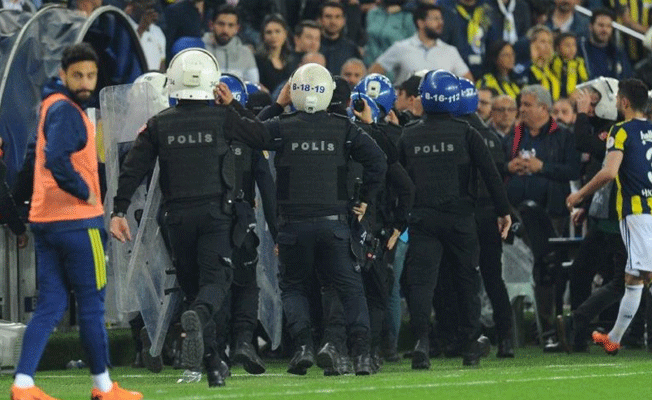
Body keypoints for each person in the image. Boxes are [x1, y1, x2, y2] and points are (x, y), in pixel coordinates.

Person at [110, 48, 270, 388]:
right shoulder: (224, 118)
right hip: (215, 215)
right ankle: (198, 320)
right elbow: (262, 137)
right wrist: (234, 106)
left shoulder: (158, 123)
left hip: (176, 218)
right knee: (215, 283)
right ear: (211, 81)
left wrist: (119, 211)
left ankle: (213, 364)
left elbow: (133, 169)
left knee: (193, 287)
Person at [10, 43, 142, 400]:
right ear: (64, 75)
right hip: (79, 223)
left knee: (50, 305)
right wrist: (84, 191)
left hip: (45, 221)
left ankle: (23, 383)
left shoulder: (50, 106)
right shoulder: (69, 112)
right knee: (92, 305)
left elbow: (35, 159)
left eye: (90, 75)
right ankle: (103, 387)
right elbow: (56, 159)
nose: (85, 82)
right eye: (78, 75)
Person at [256, 63, 387, 375]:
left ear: (294, 91)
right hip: (334, 224)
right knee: (351, 289)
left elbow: (251, 134)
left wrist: (278, 104)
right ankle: (361, 356)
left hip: (293, 224)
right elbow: (378, 161)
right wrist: (364, 198)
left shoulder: (282, 126)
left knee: (294, 287)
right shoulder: (343, 127)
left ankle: (303, 347)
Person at [398, 69, 512, 369]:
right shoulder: (466, 132)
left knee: (422, 282)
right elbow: (491, 175)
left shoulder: (409, 134)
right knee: (467, 280)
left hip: (422, 219)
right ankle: (471, 345)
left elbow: (396, 177)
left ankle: (422, 342)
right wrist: (504, 212)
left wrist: (399, 216)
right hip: (460, 218)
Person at [566, 78, 652, 355]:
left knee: (642, 275)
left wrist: (580, 195)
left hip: (637, 213)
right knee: (632, 279)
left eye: (616, 99)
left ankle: (613, 334)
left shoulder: (621, 130)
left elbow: (609, 172)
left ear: (624, 102)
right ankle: (613, 338)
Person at [212, 74, 276, 376]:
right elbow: (267, 187)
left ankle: (218, 349)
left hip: (210, 219)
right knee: (247, 283)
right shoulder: (250, 140)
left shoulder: (201, 130)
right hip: (242, 219)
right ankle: (243, 341)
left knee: (215, 284)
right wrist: (278, 233)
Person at [503, 84, 581, 330]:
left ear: (544, 108)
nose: (522, 109)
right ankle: (514, 324)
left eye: (527, 105)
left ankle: (548, 324)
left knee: (547, 266)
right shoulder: (514, 135)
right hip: (516, 214)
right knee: (518, 266)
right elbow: (498, 164)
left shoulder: (564, 137)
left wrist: (542, 167)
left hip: (552, 214)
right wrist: (509, 167)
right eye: (521, 104)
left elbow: (573, 171)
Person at [456, 78, 515, 358]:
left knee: (462, 277)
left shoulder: (455, 134)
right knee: (493, 278)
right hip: (490, 213)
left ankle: (463, 337)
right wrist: (504, 211)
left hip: (464, 213)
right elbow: (497, 178)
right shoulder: (492, 137)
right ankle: (507, 338)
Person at [370, 3, 472, 85]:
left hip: (438, 104)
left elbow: (469, 82)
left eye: (441, 19)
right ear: (420, 23)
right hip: (407, 103)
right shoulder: (401, 47)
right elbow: (373, 72)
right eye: (435, 19)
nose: (440, 23)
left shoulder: (450, 51)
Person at [203, 4, 260, 83]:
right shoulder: (200, 49)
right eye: (221, 24)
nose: (225, 30)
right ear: (211, 25)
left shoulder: (246, 53)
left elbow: (253, 85)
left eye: (230, 25)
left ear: (237, 28)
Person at [578, 8, 633, 80]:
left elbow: (627, 76)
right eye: (601, 25)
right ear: (591, 27)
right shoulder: (581, 48)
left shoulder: (617, 52)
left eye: (608, 26)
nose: (604, 30)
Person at [364, 0, 416, 67]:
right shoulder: (373, 13)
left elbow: (412, 44)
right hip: (369, 64)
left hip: (394, 67)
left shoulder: (407, 16)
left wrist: (402, 8)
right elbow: (368, 37)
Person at [318, 2, 361, 76]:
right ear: (320, 20)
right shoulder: (314, 46)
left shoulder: (351, 48)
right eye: (328, 16)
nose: (333, 21)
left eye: (337, 17)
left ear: (344, 21)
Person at [255, 14, 293, 93]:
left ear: (285, 34)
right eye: (269, 32)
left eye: (277, 31)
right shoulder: (258, 60)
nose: (273, 36)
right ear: (263, 36)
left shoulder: (291, 61)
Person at [125, 0, 166, 71]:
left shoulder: (157, 30)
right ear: (133, 4)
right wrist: (141, 29)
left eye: (151, 5)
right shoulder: (124, 25)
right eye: (146, 4)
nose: (149, 9)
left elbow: (162, 62)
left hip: (153, 75)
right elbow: (125, 55)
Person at [551, 33, 588, 99]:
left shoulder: (579, 63)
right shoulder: (553, 61)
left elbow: (584, 81)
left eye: (574, 45)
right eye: (567, 45)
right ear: (557, 47)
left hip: (575, 98)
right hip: (557, 97)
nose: (571, 49)